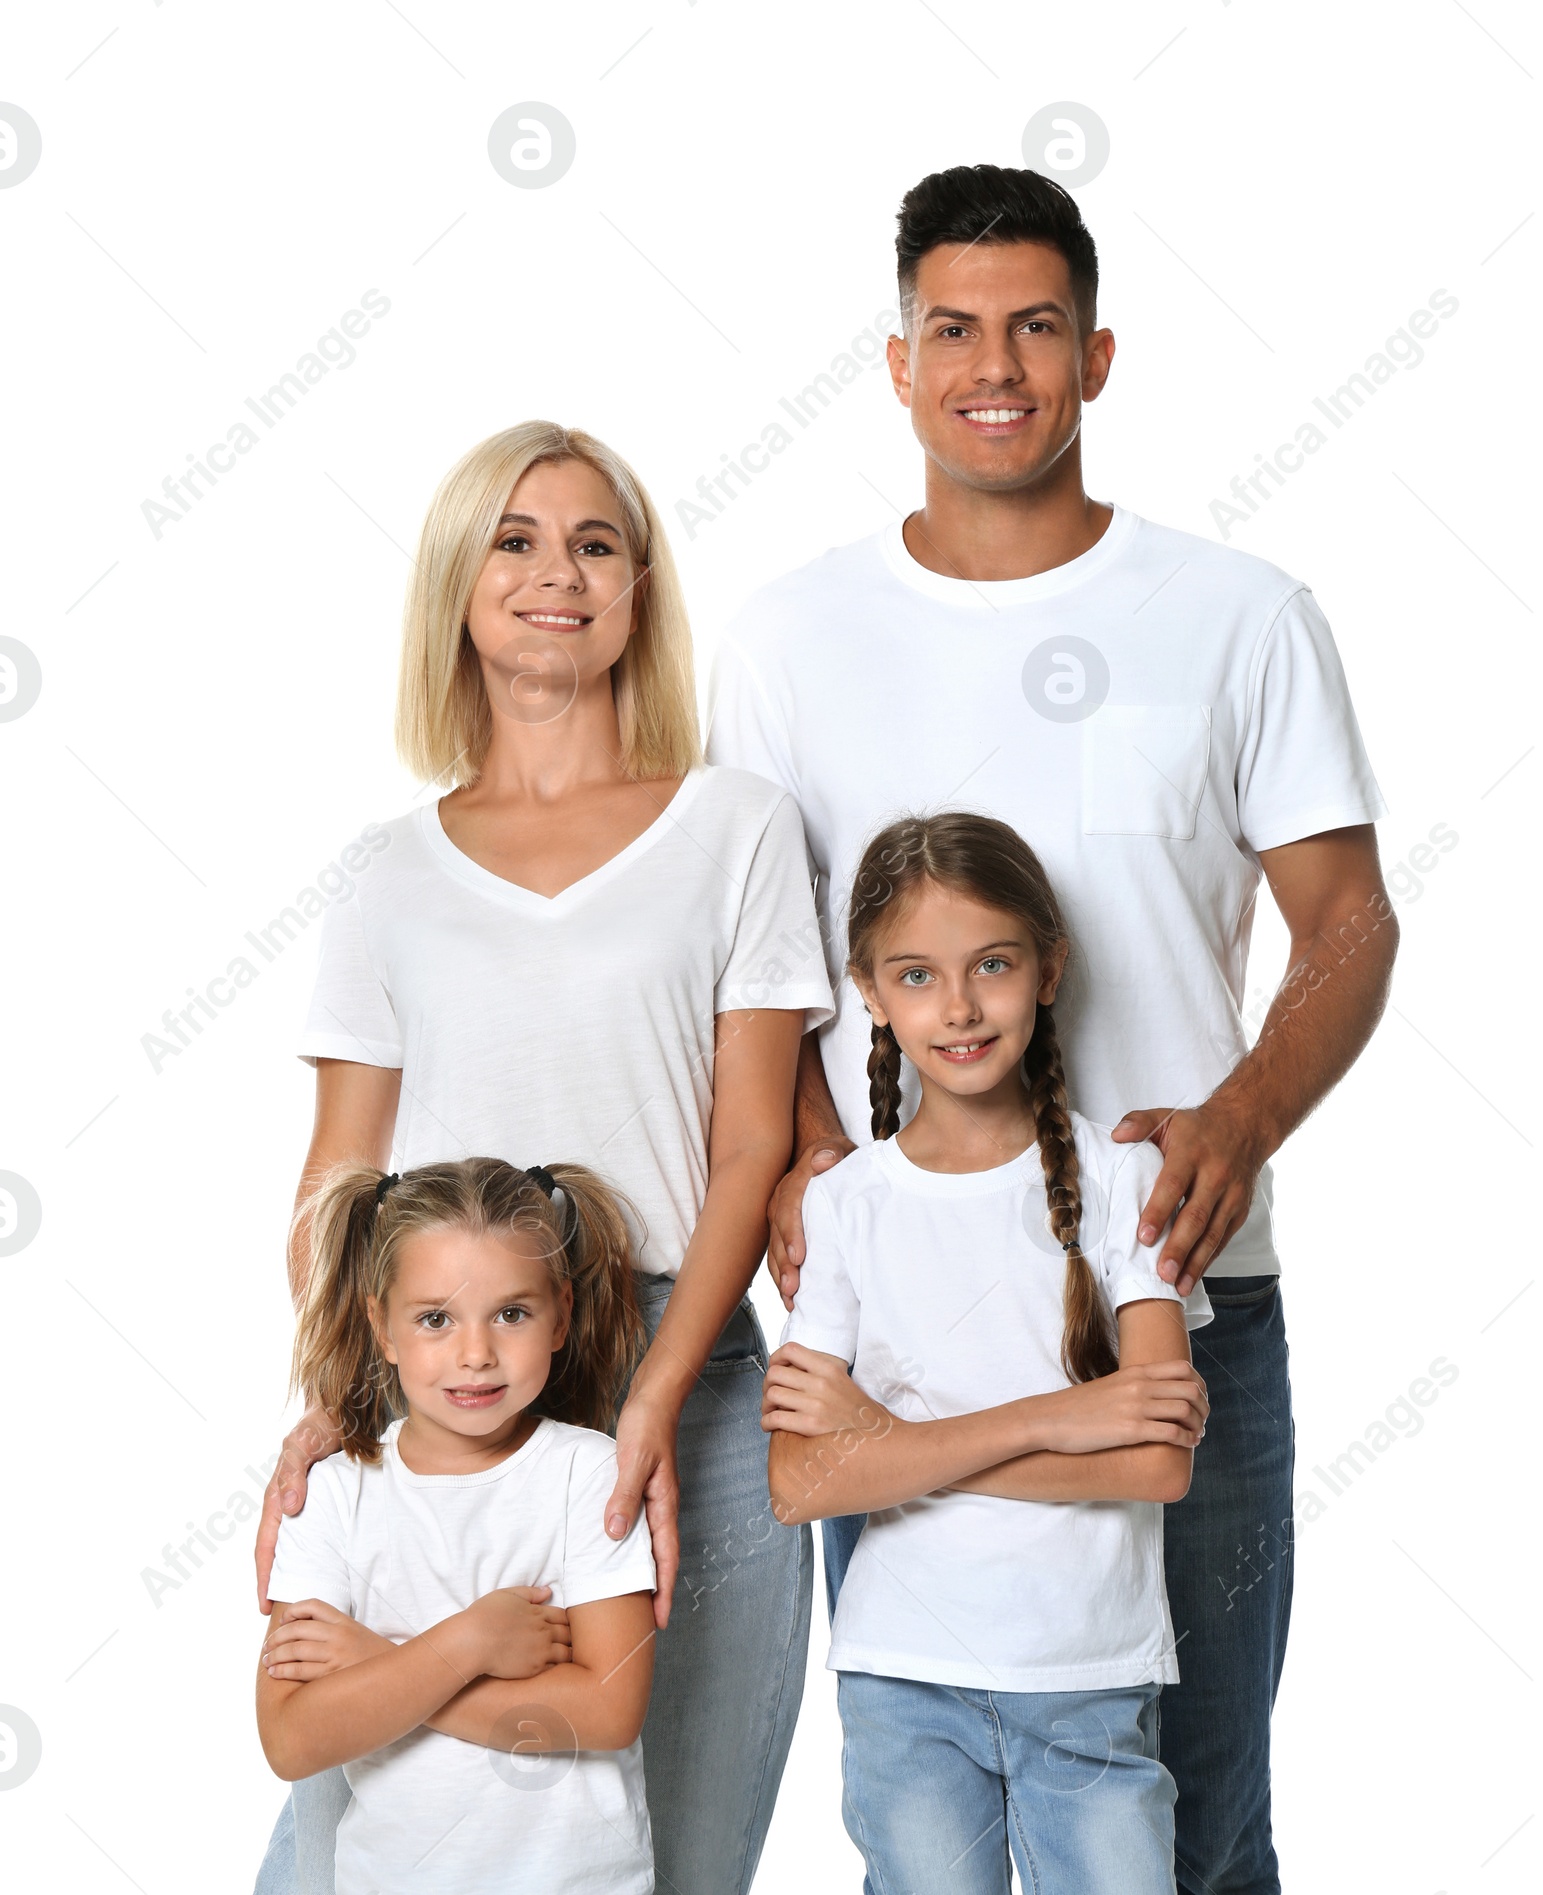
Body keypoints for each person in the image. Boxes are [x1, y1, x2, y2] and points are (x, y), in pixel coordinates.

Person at [708, 166, 1396, 1895]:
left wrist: (1238, 1115)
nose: (992, 363)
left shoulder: (1240, 614)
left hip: (1175, 1296)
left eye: (1033, 327)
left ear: (1098, 355)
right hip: (908, 1321)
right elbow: (762, 956)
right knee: (927, 1838)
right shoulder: (793, 637)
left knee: (1202, 1815)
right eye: (954, 327)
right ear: (897, 362)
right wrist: (802, 1150)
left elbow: (1349, 924)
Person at [251, 421, 834, 1895]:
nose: (553, 573)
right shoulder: (389, 872)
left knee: (673, 1849)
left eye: (594, 542)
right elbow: (338, 1174)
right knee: (350, 1836)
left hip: (674, 1358)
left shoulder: (737, 828)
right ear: (458, 584)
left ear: (640, 589)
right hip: (439, 1383)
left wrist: (647, 1397)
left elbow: (752, 1136)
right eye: (513, 539)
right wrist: (328, 1406)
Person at [763, 815, 1212, 1893]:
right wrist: (1052, 1416)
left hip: (1088, 1674)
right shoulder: (845, 1206)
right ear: (869, 992)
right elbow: (798, 1481)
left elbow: (1157, 1459)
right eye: (916, 974)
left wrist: (892, 1446)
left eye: (992, 965)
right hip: (904, 1678)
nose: (958, 1007)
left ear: (1047, 968)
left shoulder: (1121, 1179)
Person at [257, 1157, 658, 1895]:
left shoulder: (589, 1475)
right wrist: (470, 1642)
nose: (476, 1353)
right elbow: (292, 1737)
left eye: (511, 1313)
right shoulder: (333, 1495)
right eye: (435, 1317)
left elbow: (604, 1710)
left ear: (562, 1313)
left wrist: (380, 1664)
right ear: (382, 1325)